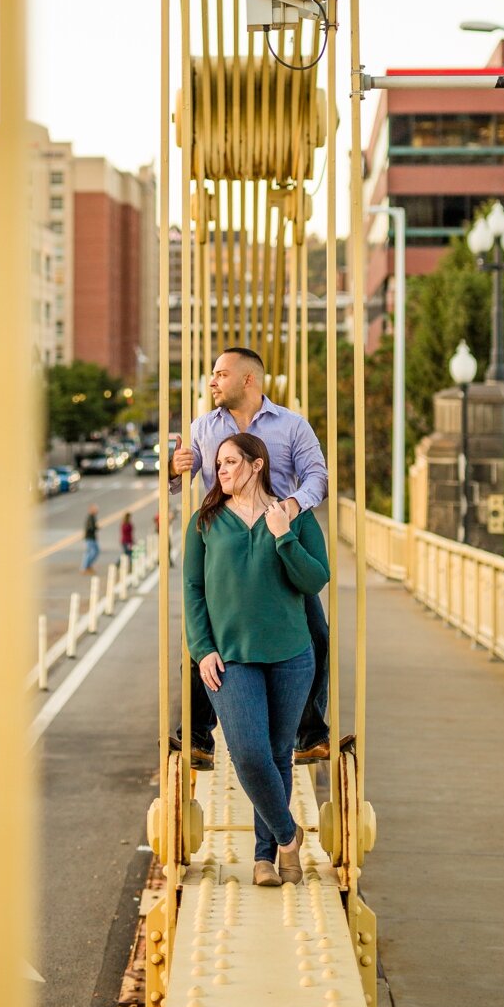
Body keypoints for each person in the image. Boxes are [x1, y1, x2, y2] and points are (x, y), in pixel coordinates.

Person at [170, 345, 338, 768]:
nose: (212, 381)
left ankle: (309, 732)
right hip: (226, 538)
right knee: (203, 634)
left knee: (315, 633)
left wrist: (291, 509)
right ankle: (196, 737)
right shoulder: (202, 428)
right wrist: (174, 469)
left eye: (220, 374)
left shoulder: (292, 426)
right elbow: (179, 482)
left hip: (279, 537)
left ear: (248, 379)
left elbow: (317, 475)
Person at [184, 432, 331, 887]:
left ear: (257, 464)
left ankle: (266, 859)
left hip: (291, 655)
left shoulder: (294, 517)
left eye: (230, 462)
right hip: (230, 659)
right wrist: (201, 647)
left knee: (277, 754)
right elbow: (193, 590)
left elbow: (315, 580)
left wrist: (284, 537)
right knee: (248, 753)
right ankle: (290, 838)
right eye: (219, 463)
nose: (221, 470)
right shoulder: (205, 521)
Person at [83, 503, 102, 571]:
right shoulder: (90, 517)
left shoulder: (92, 517)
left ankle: (88, 566)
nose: (97, 511)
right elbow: (90, 528)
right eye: (96, 510)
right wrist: (96, 527)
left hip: (92, 537)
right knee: (92, 552)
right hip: (90, 538)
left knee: (94, 552)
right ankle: (86, 567)